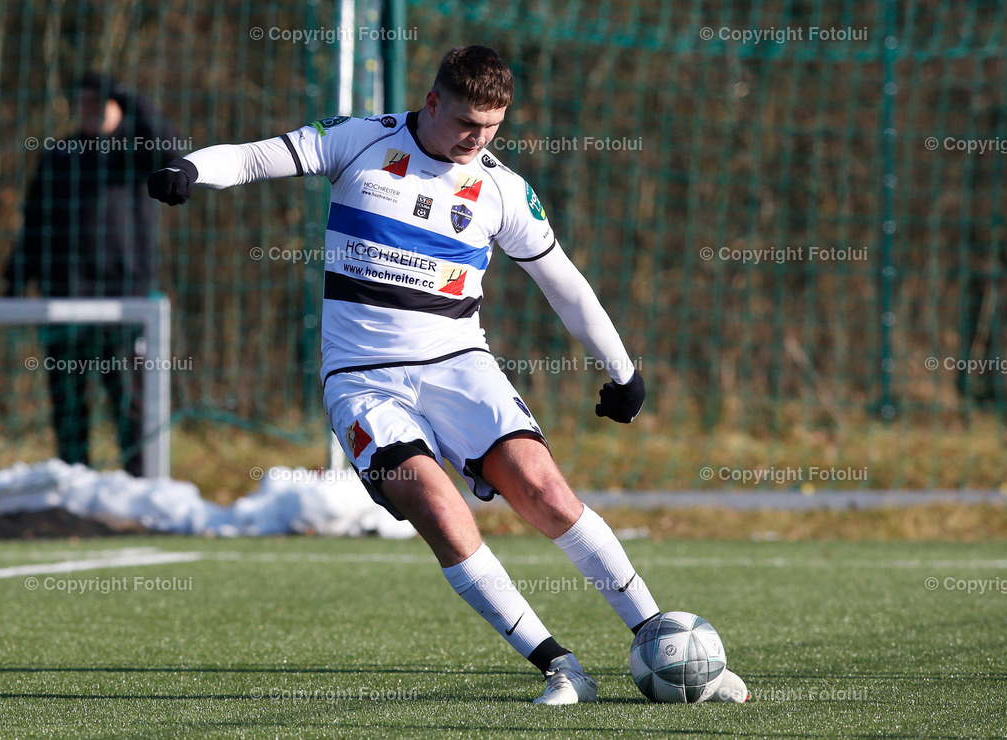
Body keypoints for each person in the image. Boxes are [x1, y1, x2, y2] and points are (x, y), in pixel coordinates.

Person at [147, 45, 747, 705]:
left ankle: (667, 645)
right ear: (432, 103)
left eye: (491, 127)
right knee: (438, 508)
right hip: (362, 380)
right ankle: (561, 666)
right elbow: (257, 156)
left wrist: (624, 371)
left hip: (460, 366)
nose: (477, 139)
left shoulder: (502, 189)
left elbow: (565, 285)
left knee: (545, 491)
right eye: (466, 122)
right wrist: (191, 167)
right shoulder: (358, 141)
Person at [2, 72, 180, 476]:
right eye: (83, 103)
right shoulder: (58, 155)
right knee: (68, 402)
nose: (90, 111)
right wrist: (16, 277)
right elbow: (34, 221)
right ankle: (72, 485)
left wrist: (127, 95)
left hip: (125, 302)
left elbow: (172, 150)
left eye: (100, 102)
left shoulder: (136, 150)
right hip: (65, 300)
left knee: (129, 402)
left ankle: (139, 486)